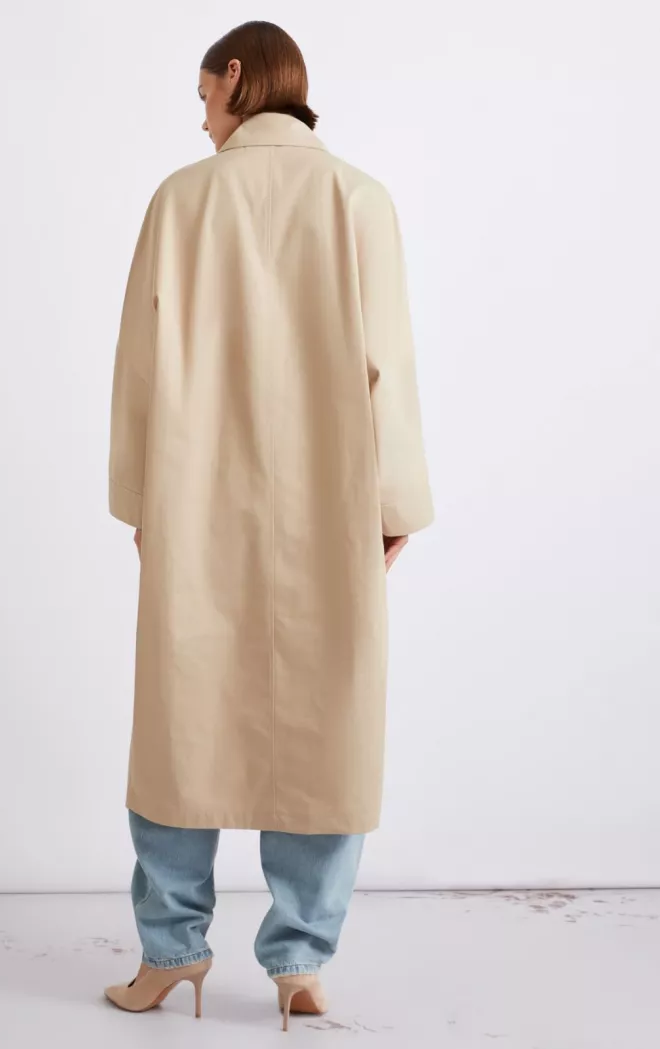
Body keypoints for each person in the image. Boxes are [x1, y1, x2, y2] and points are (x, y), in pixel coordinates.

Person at [103, 20, 433, 1031]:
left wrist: (139, 502)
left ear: (237, 77)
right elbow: (386, 368)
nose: (201, 117)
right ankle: (299, 962)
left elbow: (139, 367)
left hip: (195, 499)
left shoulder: (181, 200)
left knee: (180, 722)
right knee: (326, 724)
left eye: (203, 94)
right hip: (327, 504)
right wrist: (396, 505)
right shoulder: (358, 200)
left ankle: (170, 951)